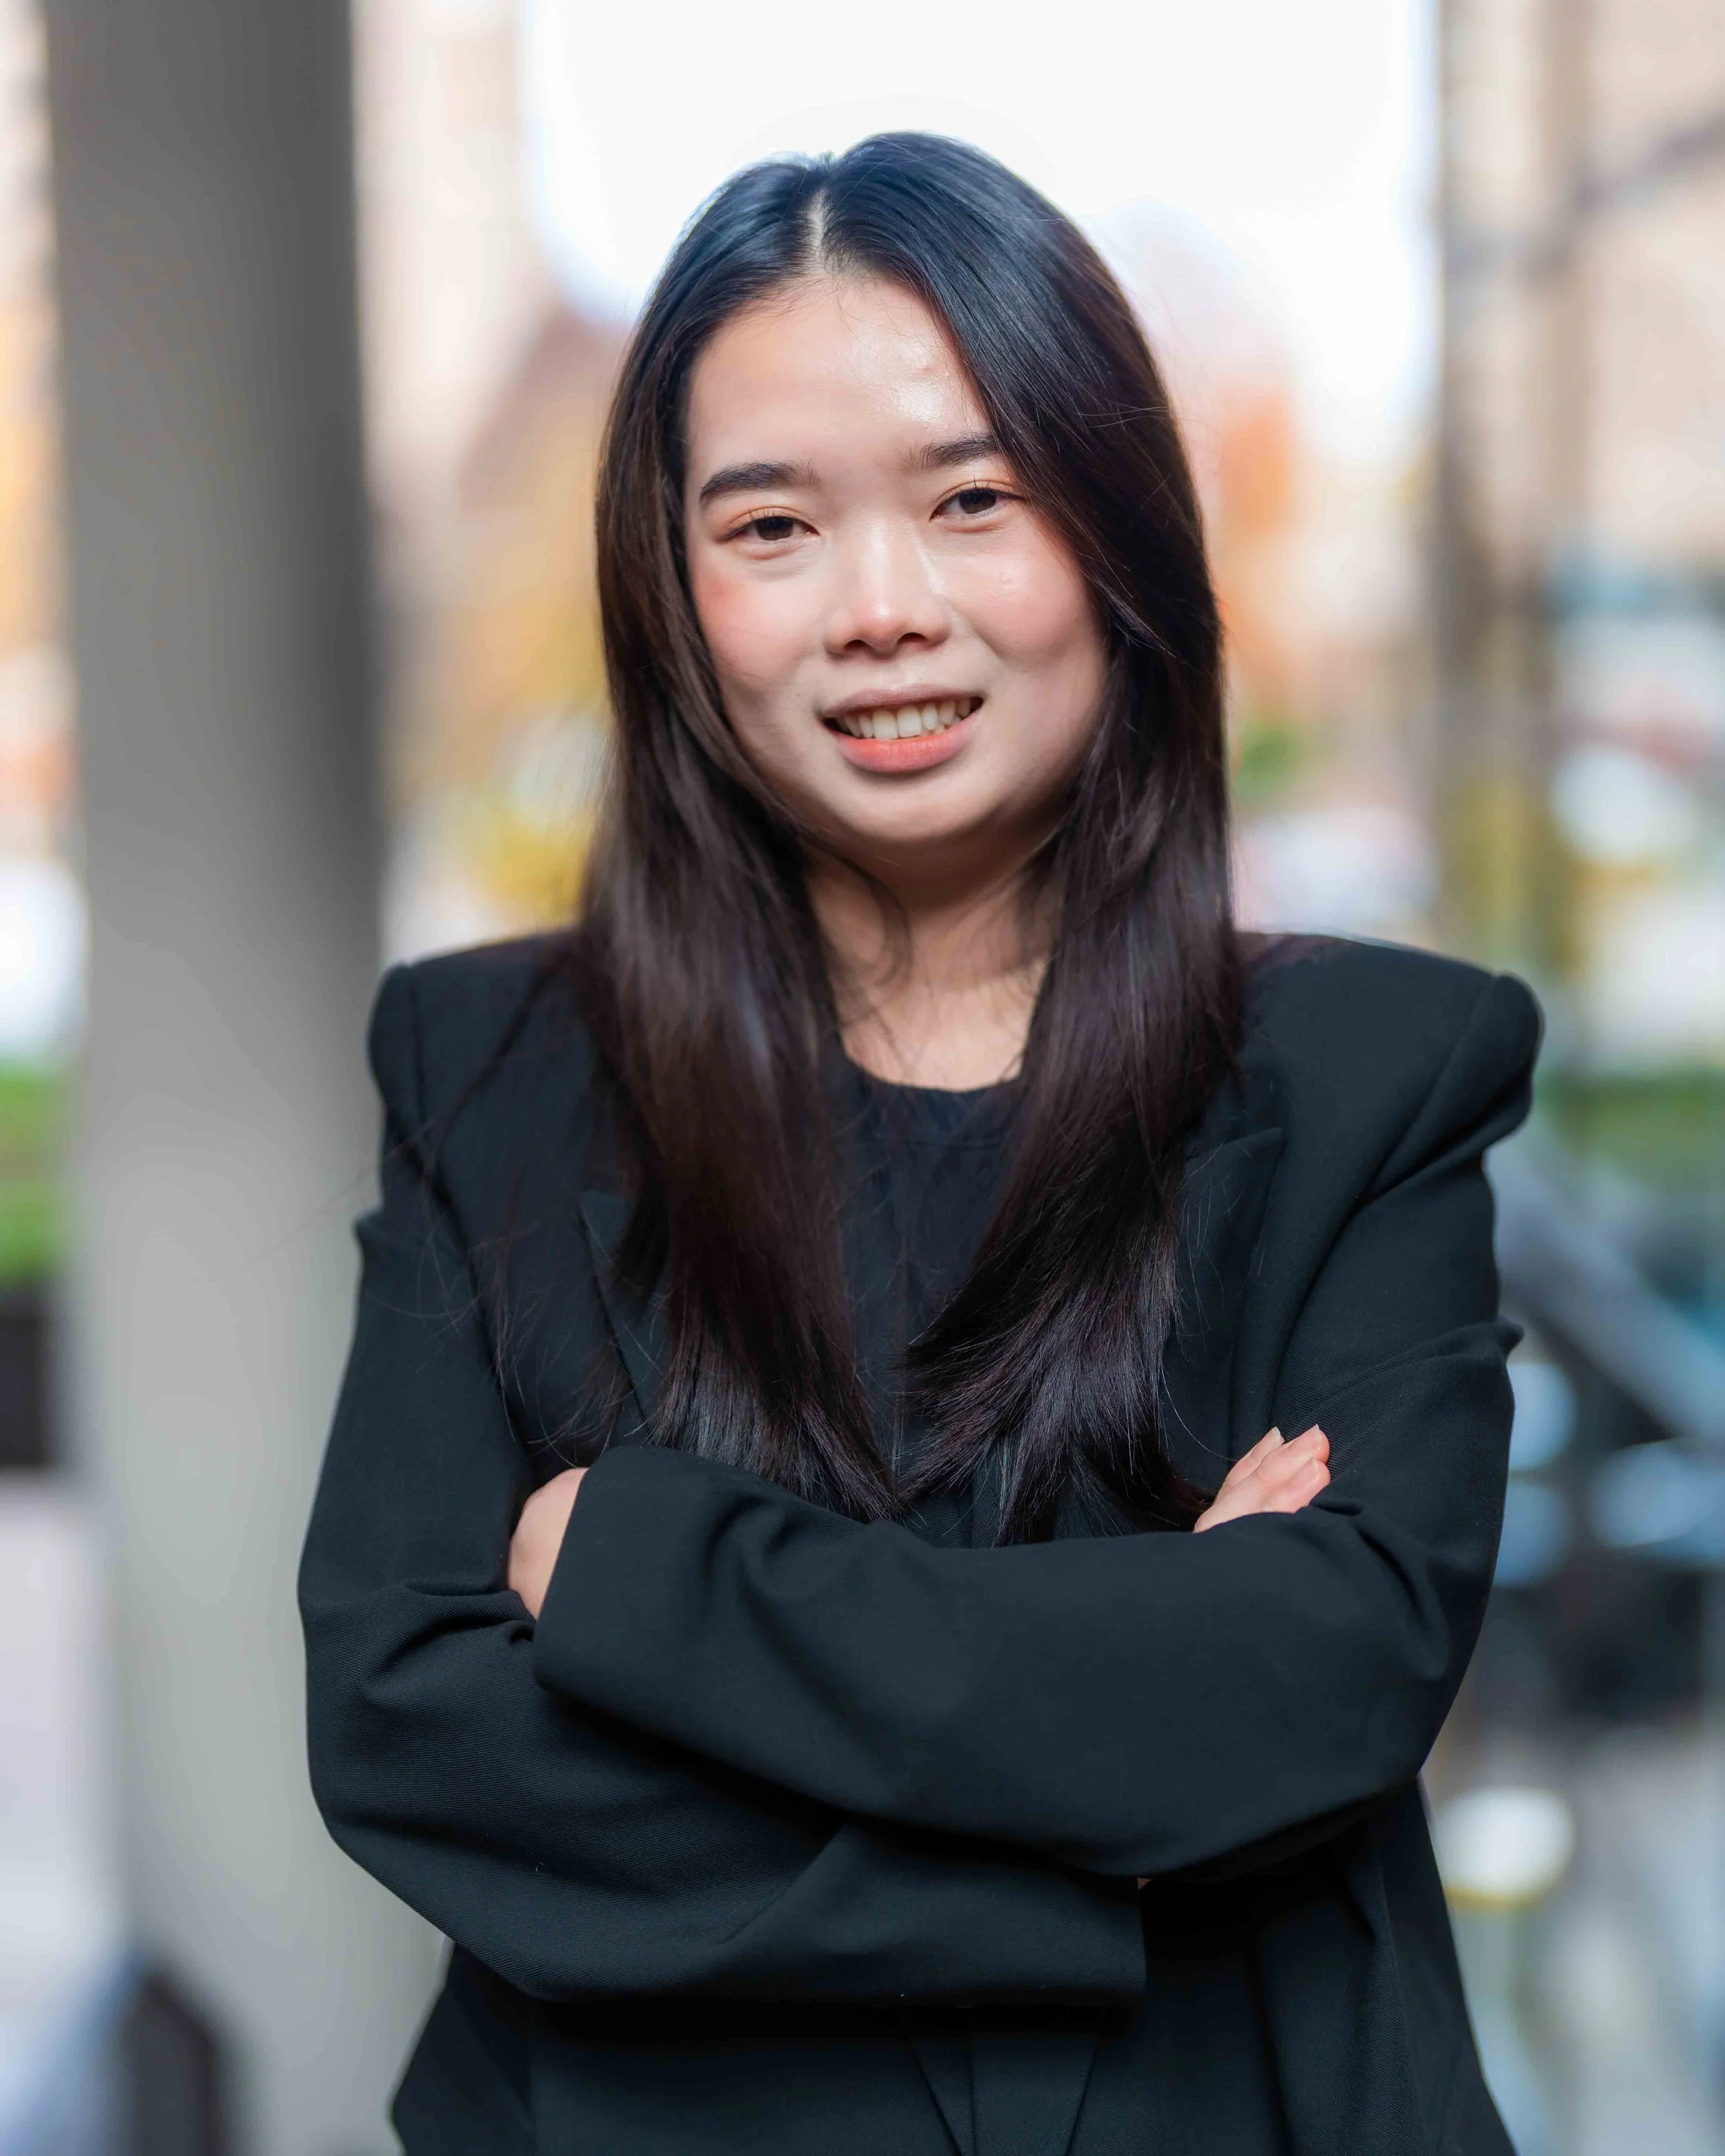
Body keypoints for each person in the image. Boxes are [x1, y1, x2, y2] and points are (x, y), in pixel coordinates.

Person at [299, 132, 1539, 2156]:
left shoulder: (1377, 1075)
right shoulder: (484, 1072)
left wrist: (645, 1576)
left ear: (1117, 537)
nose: (881, 608)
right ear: (673, 593)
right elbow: (415, 1732)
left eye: (974, 499)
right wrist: (1110, 1826)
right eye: (773, 525)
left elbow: (1326, 1678)